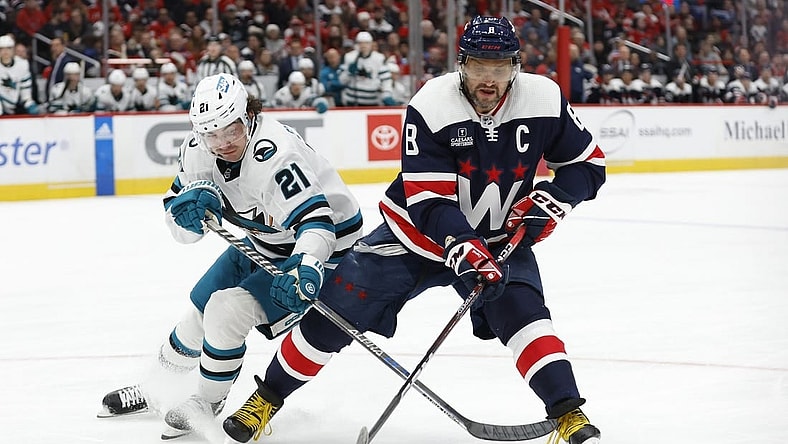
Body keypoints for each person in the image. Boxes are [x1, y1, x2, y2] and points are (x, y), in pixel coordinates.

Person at [222, 16, 605, 444]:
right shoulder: (432, 105)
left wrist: (552, 200)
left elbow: (589, 164)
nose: (488, 79)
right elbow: (428, 201)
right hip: (412, 238)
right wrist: (462, 245)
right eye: (478, 66)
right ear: (461, 64)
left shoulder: (544, 99)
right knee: (335, 311)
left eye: (499, 68)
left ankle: (569, 414)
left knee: (526, 317)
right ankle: (266, 399)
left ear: (516, 66)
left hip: (498, 239)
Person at [98, 73, 363, 439]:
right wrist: (187, 218)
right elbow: (178, 225)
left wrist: (307, 265)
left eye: (232, 130)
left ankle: (206, 401)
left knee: (225, 310)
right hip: (265, 239)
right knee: (198, 312)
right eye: (212, 135)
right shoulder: (197, 148)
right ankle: (158, 389)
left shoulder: (275, 155)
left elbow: (318, 223)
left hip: (324, 251)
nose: (222, 144)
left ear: (248, 116)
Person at [339, 31, 395, 106]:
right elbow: (341, 80)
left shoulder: (379, 58)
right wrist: (348, 72)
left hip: (372, 101)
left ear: (371, 44)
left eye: (366, 43)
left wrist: (387, 93)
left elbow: (386, 80)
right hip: (352, 101)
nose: (363, 46)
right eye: (360, 43)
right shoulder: (349, 57)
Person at [0, 34, 39, 115]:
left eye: (9, 48)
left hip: (16, 103)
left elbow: (26, 90)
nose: (5, 52)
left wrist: (29, 103)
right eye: (2, 49)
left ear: (13, 49)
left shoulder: (22, 64)